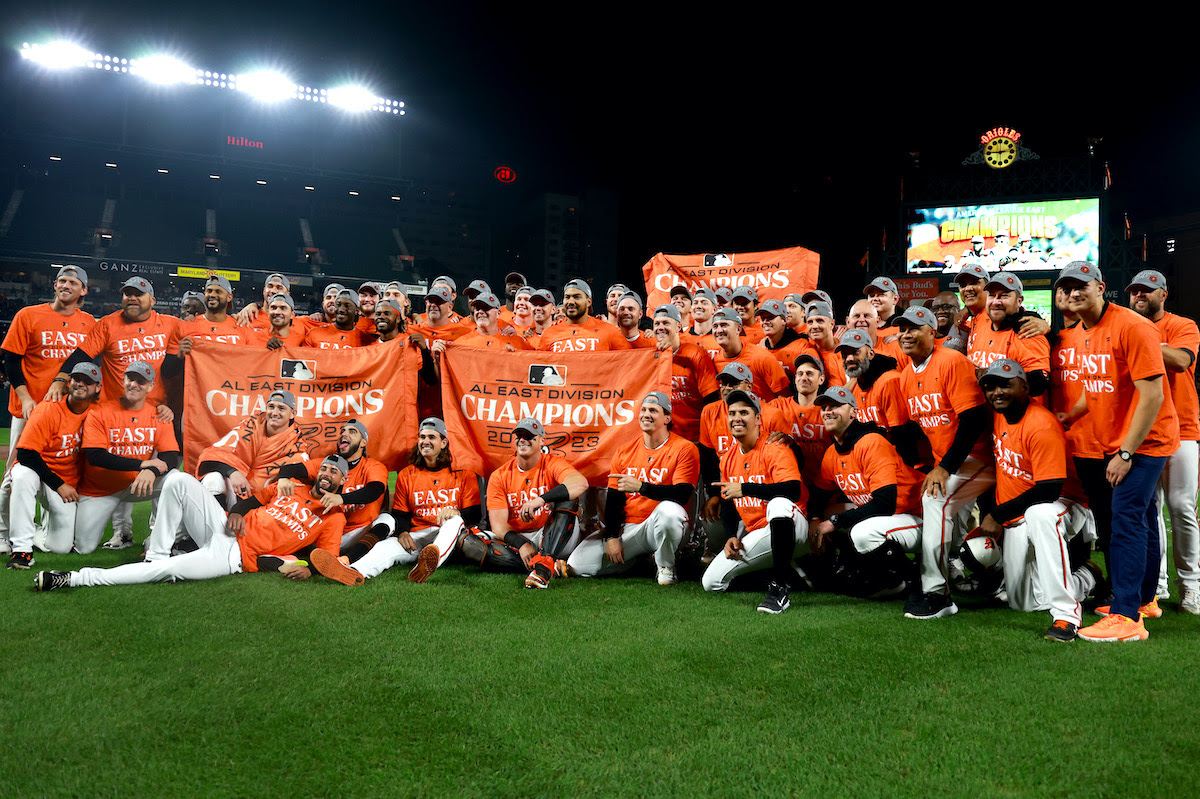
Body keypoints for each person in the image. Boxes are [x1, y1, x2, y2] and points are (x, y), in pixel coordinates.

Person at [1055, 262, 1179, 643]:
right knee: (1138, 515)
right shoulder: (1084, 330)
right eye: (1068, 287)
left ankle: (1127, 616)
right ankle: (1144, 600)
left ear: (1100, 287)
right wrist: (1070, 414)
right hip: (1119, 439)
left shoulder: (1133, 326)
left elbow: (1153, 394)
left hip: (1146, 440)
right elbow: (1098, 386)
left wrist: (1125, 453)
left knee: (1125, 518)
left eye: (1082, 286)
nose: (1075, 293)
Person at [35, 455, 348, 592]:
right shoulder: (293, 486)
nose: (326, 474)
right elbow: (253, 500)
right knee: (178, 479)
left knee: (166, 572)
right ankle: (157, 551)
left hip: (233, 557)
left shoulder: (333, 517)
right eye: (324, 468)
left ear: (342, 481)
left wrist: (308, 567)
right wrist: (237, 511)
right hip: (223, 526)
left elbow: (328, 555)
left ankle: (76, 579)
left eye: (334, 473)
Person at [977, 359, 1100, 642]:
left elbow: (1049, 490)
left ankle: (1066, 615)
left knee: (1040, 514)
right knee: (1025, 603)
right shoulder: (999, 413)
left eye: (1005, 384)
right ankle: (1087, 577)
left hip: (1064, 504)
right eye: (991, 386)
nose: (997, 392)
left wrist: (996, 514)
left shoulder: (1041, 424)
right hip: (1018, 513)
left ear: (1025, 387)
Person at [893, 305, 994, 620]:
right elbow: (918, 429)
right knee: (949, 516)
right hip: (951, 461)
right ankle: (964, 574)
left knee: (934, 499)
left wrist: (944, 467)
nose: (906, 334)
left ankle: (936, 593)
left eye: (914, 328)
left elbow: (973, 420)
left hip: (981, 456)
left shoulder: (951, 361)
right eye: (902, 329)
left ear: (932, 332)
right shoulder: (907, 375)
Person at [312, 418, 483, 586]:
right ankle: (353, 571)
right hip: (419, 535)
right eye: (422, 437)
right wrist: (402, 532)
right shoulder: (407, 474)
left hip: (450, 537)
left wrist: (457, 512)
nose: (425, 442)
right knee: (385, 547)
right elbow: (400, 514)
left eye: (432, 437)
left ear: (444, 443)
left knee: (454, 521)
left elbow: (474, 514)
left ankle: (428, 563)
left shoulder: (463, 473)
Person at [0, 264, 95, 555]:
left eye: (72, 282)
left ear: (84, 290)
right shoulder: (28, 315)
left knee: (61, 466)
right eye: (61, 280)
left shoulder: (89, 322)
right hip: (28, 409)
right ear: (54, 285)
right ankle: (5, 534)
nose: (65, 285)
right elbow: (12, 362)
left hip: (66, 410)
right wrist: (26, 397)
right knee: (13, 476)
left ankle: (44, 529)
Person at [1125, 269, 1200, 613]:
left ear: (1163, 294)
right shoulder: (1127, 326)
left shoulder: (1182, 325)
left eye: (1147, 291)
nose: (1140, 296)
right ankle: (1155, 585)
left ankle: (1191, 585)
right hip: (1144, 429)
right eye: (1135, 291)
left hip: (1183, 428)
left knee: (1182, 507)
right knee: (1147, 509)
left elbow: (1182, 361)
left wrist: (1142, 339)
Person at [566, 392, 699, 585]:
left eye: (653, 410)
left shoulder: (684, 448)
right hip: (631, 527)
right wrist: (612, 537)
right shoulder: (625, 451)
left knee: (668, 511)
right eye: (643, 410)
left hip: (666, 526)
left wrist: (642, 487)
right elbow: (614, 499)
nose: (646, 414)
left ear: (667, 418)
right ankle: (638, 561)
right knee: (578, 565)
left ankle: (666, 567)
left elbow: (682, 494)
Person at [808, 385, 924, 599]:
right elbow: (817, 496)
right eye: (824, 407)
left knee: (862, 531)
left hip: (918, 515)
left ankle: (913, 579)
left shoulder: (871, 442)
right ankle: (870, 572)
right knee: (826, 514)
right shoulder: (832, 453)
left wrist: (834, 521)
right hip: (892, 518)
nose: (828, 411)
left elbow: (884, 504)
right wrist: (815, 519)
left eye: (835, 406)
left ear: (854, 412)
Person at [702, 389, 811, 615]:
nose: (737, 418)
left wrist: (745, 488)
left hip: (793, 529)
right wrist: (732, 534)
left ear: (758, 419)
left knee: (778, 504)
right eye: (732, 413)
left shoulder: (775, 447)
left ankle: (779, 590)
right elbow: (729, 502)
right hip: (759, 533)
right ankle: (781, 574)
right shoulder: (728, 458)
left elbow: (792, 490)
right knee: (711, 582)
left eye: (744, 412)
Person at [464, 418, 589, 588]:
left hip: (553, 535)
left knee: (568, 497)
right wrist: (521, 544)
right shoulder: (500, 475)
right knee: (469, 543)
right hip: (519, 539)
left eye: (529, 436)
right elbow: (498, 525)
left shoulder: (552, 463)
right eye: (519, 435)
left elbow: (580, 483)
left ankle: (544, 565)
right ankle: (545, 566)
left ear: (541, 440)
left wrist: (540, 500)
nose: (522, 439)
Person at [72, 361, 182, 553]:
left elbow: (171, 456)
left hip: (137, 485)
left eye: (141, 381)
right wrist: (143, 464)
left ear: (150, 386)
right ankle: (120, 534)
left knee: (177, 480)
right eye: (131, 379)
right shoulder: (100, 412)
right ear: (123, 380)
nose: (134, 384)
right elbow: (96, 457)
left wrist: (152, 470)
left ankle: (160, 538)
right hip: (101, 490)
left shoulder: (158, 414)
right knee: (83, 547)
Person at [4, 362, 102, 568]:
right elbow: (26, 454)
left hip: (66, 481)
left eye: (88, 381)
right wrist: (58, 484)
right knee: (21, 476)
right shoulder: (48, 409)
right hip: (40, 474)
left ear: (98, 387)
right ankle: (21, 550)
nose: (81, 384)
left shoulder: (99, 412)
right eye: (77, 379)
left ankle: (33, 529)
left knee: (60, 546)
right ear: (69, 382)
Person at [273, 419, 391, 555]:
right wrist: (283, 479)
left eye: (352, 432)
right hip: (323, 532)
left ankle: (348, 561)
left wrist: (340, 498)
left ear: (363, 443)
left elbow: (374, 491)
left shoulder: (373, 466)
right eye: (342, 431)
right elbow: (290, 469)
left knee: (387, 520)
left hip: (355, 533)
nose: (344, 434)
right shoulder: (328, 465)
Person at [191, 389, 309, 512]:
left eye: (281, 408)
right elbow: (209, 460)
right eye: (271, 407)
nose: (274, 412)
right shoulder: (250, 425)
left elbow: (295, 494)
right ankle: (215, 525)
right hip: (235, 493)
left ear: (292, 414)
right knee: (213, 479)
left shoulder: (297, 448)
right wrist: (233, 472)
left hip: (260, 508)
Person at [966, 273, 1051, 394]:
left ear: (1019, 301)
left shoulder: (1028, 330)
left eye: (1004, 296)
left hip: (1017, 411)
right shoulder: (981, 321)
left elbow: (1039, 383)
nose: (996, 302)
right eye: (991, 295)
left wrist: (992, 373)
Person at [652, 304, 719, 443]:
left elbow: (711, 399)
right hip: (664, 438)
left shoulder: (696, 354)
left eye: (666, 323)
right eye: (657, 323)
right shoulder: (650, 356)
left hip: (695, 437)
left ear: (678, 327)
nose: (660, 327)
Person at [711, 308, 790, 402]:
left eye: (724, 325)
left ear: (738, 329)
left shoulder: (762, 357)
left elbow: (785, 397)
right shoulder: (714, 360)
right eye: (715, 326)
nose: (719, 330)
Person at [836, 329, 905, 435]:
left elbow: (903, 434)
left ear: (871, 354)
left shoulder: (890, 381)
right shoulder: (855, 386)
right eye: (844, 355)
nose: (849, 358)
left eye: (855, 352)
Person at [537, 279, 631, 352]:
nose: (571, 302)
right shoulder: (549, 333)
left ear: (588, 302)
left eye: (577, 297)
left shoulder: (609, 331)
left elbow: (628, 362)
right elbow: (537, 366)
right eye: (567, 297)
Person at [441, 291, 532, 351]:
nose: (480, 312)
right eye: (478, 308)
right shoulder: (461, 343)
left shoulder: (518, 343)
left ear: (498, 313)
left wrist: (514, 359)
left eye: (486, 308)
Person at [758, 299, 818, 378]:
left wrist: (785, 375)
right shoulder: (760, 348)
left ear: (784, 320)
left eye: (771, 318)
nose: (765, 322)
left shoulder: (803, 347)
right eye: (763, 318)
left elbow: (814, 379)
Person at [302, 290, 370, 348]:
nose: (341, 309)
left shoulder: (366, 341)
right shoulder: (314, 334)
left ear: (357, 311)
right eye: (338, 304)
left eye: (347, 306)